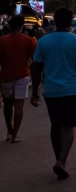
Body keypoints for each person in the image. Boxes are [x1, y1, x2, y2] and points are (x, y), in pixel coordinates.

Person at [30, 7, 76, 179]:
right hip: (72, 90)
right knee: (69, 126)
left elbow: (36, 67)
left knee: (56, 125)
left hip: (52, 91)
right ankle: (61, 161)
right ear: (70, 22)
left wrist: (35, 90)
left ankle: (58, 158)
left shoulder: (44, 42)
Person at [0, 14, 37, 143]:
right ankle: (15, 134)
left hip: (5, 76)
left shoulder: (2, 40)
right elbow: (33, 58)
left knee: (7, 105)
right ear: (22, 26)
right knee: (19, 106)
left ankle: (9, 131)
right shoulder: (29, 40)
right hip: (22, 75)